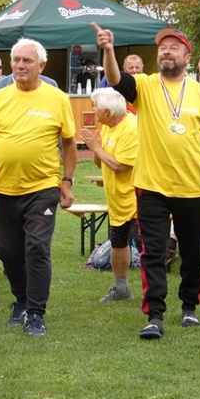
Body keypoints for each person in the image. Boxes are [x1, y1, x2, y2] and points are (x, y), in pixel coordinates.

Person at [94, 23, 200, 339]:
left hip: (191, 187)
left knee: (193, 253)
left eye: (173, 47)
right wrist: (108, 50)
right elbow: (116, 79)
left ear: (187, 56)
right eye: (162, 48)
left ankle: (189, 307)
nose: (166, 51)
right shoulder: (146, 85)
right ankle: (155, 315)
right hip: (151, 186)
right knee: (152, 253)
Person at [0, 38, 77, 338]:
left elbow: (69, 143)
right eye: (16, 60)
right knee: (7, 251)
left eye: (27, 61)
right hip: (4, 189)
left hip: (43, 187)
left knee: (37, 247)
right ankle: (21, 300)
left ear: (41, 66)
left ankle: (35, 313)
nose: (20, 65)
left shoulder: (57, 98)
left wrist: (67, 181)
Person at [80, 88, 140, 303]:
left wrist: (96, 148)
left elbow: (119, 165)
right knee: (118, 243)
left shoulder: (132, 127)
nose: (92, 110)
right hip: (117, 200)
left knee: (147, 250)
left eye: (95, 106)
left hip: (137, 201)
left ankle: (153, 295)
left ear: (107, 111)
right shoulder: (107, 126)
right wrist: (97, 150)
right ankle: (121, 289)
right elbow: (102, 162)